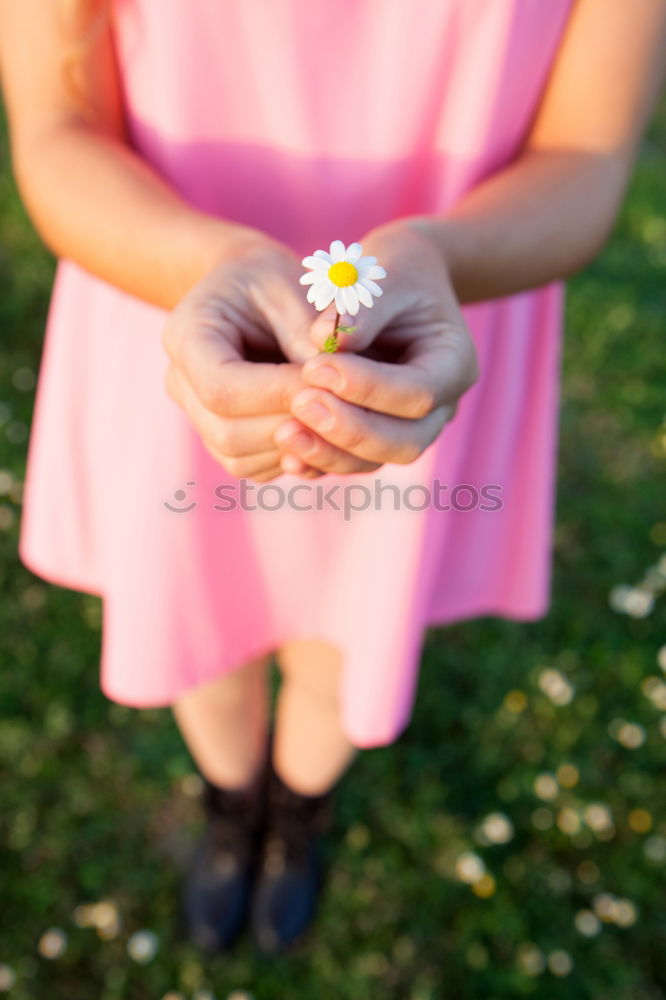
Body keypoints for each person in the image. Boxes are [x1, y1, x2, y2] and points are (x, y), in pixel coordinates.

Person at [1, 0, 664, 958]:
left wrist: (439, 254)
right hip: (178, 324)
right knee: (208, 624)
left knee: (348, 635)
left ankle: (299, 811)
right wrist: (211, 260)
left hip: (420, 347)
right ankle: (234, 806)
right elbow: (60, 133)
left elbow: (587, 156)